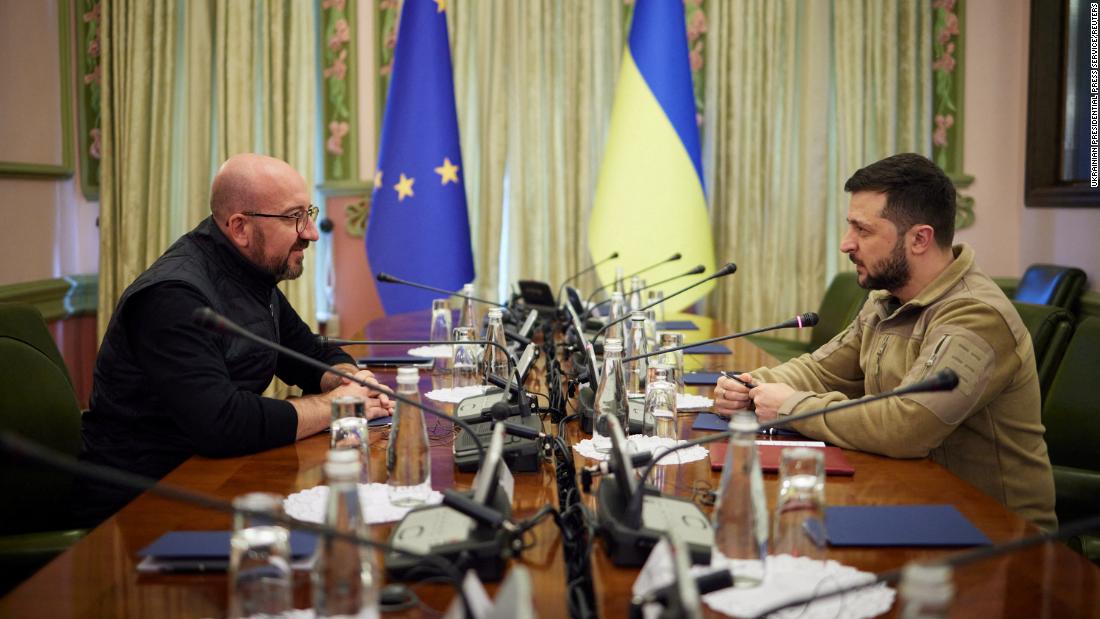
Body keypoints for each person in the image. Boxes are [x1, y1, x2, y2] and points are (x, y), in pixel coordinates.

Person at [714, 153, 1056, 530]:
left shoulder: (976, 316)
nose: (846, 244)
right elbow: (822, 370)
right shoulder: (886, 299)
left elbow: (906, 426)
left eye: (863, 230)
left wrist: (790, 406)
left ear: (920, 239)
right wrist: (751, 385)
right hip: (909, 500)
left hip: (993, 536)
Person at [79, 154, 393, 524]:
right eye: (294, 217)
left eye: (308, 212)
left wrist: (350, 380)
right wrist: (338, 405)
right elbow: (222, 424)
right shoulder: (173, 297)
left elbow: (307, 350)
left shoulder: (250, 270)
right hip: (143, 502)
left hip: (212, 477)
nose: (310, 232)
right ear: (240, 228)